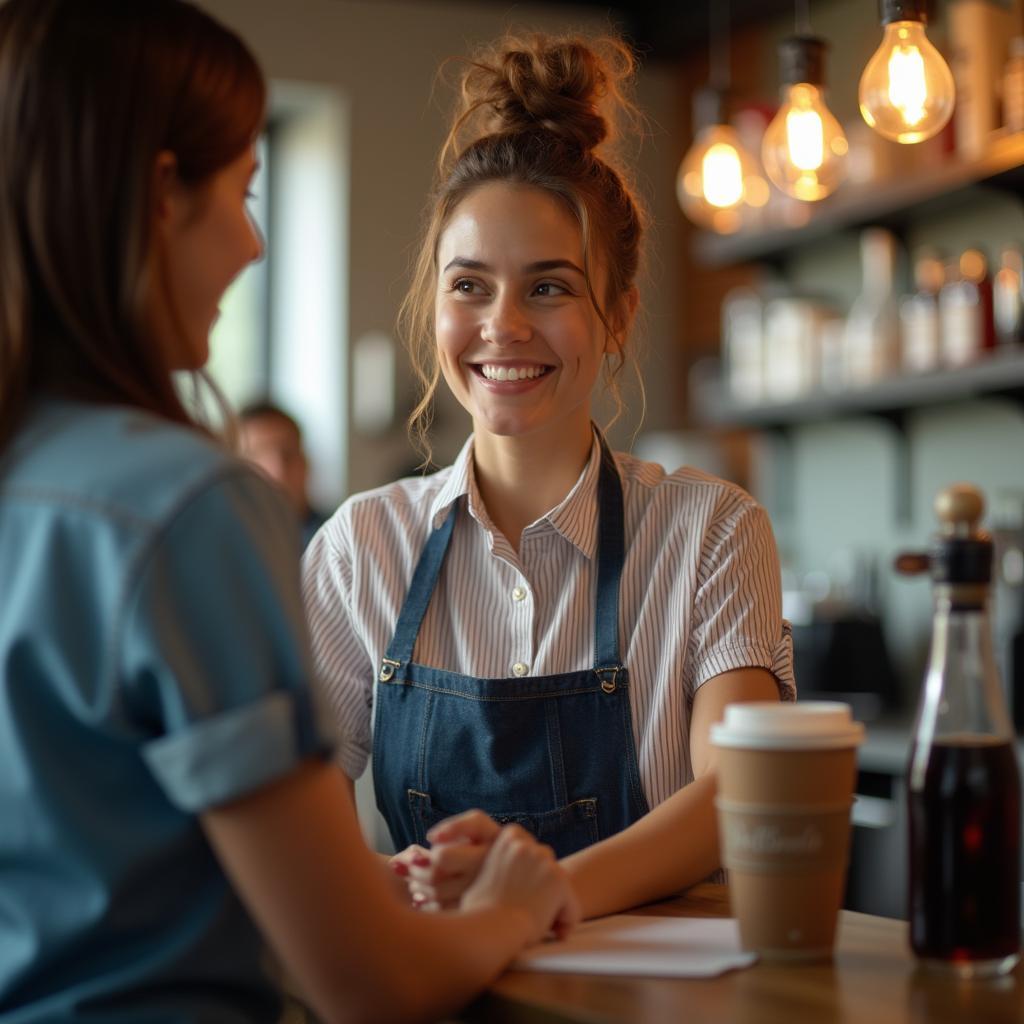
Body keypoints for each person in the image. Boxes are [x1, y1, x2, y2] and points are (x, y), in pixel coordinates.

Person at [0, 3, 579, 1022]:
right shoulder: (188, 510)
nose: (254, 243)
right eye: (241, 191)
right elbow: (366, 983)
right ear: (158, 198)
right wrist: (510, 906)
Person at [302, 32, 796, 922]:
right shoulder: (359, 546)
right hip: (435, 991)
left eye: (550, 288)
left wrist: (538, 899)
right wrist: (373, 890)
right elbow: (300, 803)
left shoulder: (712, 531)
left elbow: (737, 793)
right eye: (469, 286)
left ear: (618, 314)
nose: (503, 326)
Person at [238, 400, 328, 549]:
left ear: (306, 463)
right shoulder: (222, 547)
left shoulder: (340, 540)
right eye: (258, 454)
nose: (278, 470)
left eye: (288, 454)